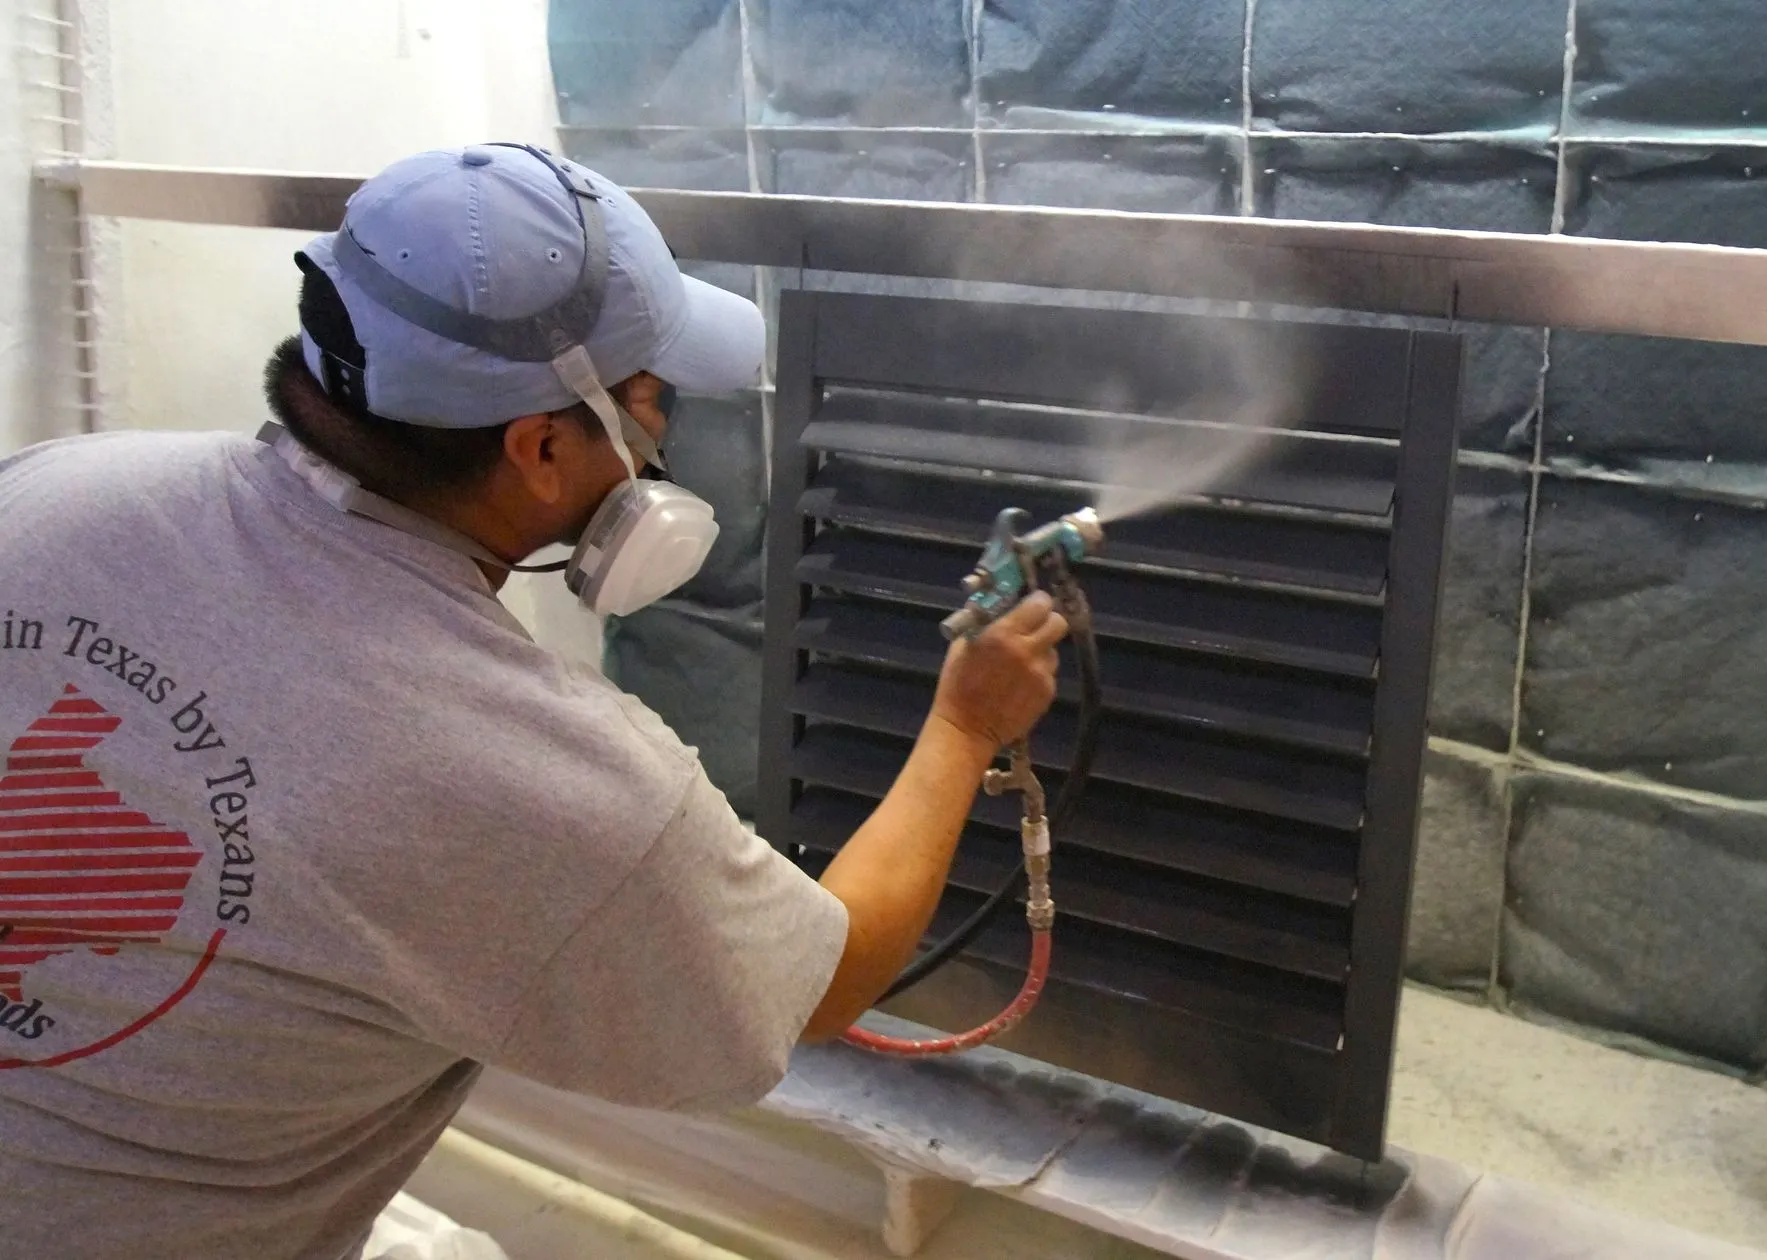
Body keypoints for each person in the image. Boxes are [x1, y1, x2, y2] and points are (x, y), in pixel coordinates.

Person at [0, 143, 1066, 1260]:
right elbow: (822, 982)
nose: (656, 445)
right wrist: (963, 726)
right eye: (649, 405)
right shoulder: (533, 781)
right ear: (543, 447)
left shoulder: (57, 487)